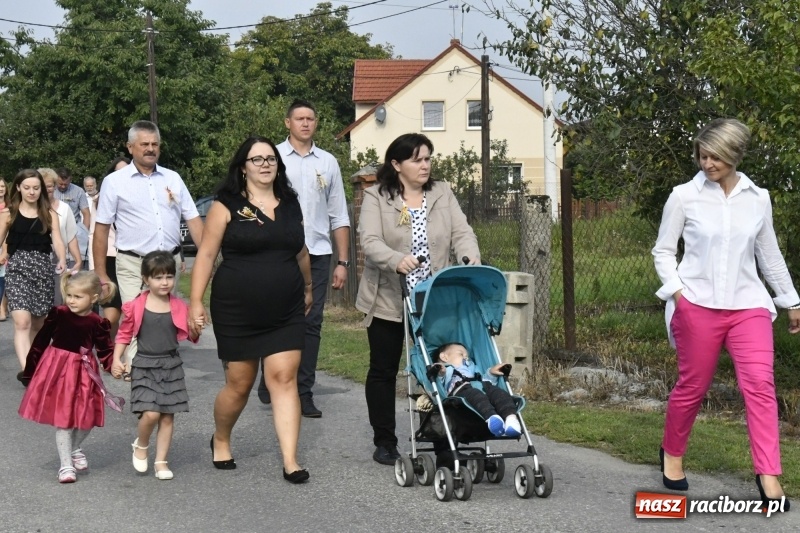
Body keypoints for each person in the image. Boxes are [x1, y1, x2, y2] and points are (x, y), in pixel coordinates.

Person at [653, 118, 798, 509]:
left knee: (761, 387)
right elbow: (663, 251)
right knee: (693, 386)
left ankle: (768, 476)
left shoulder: (758, 198)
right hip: (697, 305)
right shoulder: (684, 196)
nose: (707, 163)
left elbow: (769, 254)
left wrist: (790, 300)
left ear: (735, 154)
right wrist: (679, 295)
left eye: (715, 156)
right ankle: (672, 453)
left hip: (748, 306)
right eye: (702, 156)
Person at [190, 136, 312, 484]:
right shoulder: (225, 205)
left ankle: (290, 460)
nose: (265, 164)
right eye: (256, 159)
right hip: (237, 310)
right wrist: (195, 301)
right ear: (243, 167)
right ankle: (221, 438)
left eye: (270, 158)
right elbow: (207, 255)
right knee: (239, 385)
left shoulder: (290, 203)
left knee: (283, 378)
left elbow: (300, 251)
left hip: (286, 308)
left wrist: (307, 288)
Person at [355, 133, 480, 465]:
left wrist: (471, 259)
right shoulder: (376, 196)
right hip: (389, 296)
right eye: (417, 160)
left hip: (434, 299)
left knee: (438, 368)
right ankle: (385, 440)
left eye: (428, 158)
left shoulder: (442, 193)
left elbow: (462, 232)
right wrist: (396, 259)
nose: (425, 165)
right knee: (383, 369)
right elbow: (369, 240)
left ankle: (443, 441)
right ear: (397, 165)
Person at [256, 99, 350, 418]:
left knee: (311, 323)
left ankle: (303, 391)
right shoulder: (273, 158)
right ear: (288, 123)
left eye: (310, 118)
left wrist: (343, 262)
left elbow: (339, 214)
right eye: (300, 118)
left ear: (316, 122)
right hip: (279, 252)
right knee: (275, 317)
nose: (306, 123)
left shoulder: (328, 162)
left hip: (319, 253)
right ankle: (270, 376)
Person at [93, 121, 203, 376]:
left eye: (155, 144)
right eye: (144, 144)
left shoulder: (173, 178)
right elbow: (101, 229)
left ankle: (162, 370)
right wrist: (101, 273)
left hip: (167, 266)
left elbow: (193, 219)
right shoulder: (114, 182)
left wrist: (211, 258)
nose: (151, 149)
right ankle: (139, 375)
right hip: (133, 263)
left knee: (163, 319)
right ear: (130, 147)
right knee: (135, 318)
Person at [17, 271, 123, 483]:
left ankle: (74, 448)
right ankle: (66, 466)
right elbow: (40, 341)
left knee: (87, 419)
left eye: (78, 297)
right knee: (64, 421)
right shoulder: (59, 313)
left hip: (83, 373)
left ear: (93, 298)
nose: (72, 301)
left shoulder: (98, 322)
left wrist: (114, 366)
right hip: (57, 370)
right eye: (70, 295)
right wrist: (30, 370)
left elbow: (105, 350)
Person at [111, 251, 200, 481]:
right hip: (144, 364)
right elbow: (124, 334)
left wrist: (196, 327)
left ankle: (161, 461)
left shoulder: (179, 306)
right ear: (145, 279)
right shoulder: (135, 305)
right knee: (150, 413)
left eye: (169, 276)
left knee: (167, 416)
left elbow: (191, 335)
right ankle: (141, 445)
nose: (164, 282)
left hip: (171, 365)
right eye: (158, 277)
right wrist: (117, 358)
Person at [0, 169, 67, 369]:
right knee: (22, 322)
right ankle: (27, 369)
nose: (31, 192)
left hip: (43, 270)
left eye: (36, 188)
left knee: (38, 324)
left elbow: (57, 239)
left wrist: (62, 258)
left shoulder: (49, 213)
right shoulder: (8, 213)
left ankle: (35, 363)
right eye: (27, 187)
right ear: (18, 187)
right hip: (17, 270)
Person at [432, 343, 521, 437]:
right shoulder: (445, 370)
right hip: (461, 391)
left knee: (499, 393)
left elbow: (484, 379)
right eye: (461, 354)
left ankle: (511, 418)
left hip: (482, 386)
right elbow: (439, 383)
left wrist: (491, 373)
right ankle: (492, 418)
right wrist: (440, 372)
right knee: (475, 394)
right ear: (444, 357)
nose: (466, 358)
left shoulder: (473, 368)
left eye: (467, 356)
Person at [93, 158, 129, 345]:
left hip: (132, 258)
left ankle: (125, 350)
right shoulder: (102, 199)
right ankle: (108, 347)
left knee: (131, 312)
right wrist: (98, 271)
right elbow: (96, 233)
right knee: (112, 314)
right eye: (118, 172)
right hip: (110, 258)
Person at [40, 169, 84, 307]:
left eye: (50, 186)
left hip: (61, 261)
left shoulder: (64, 208)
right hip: (39, 261)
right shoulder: (32, 209)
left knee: (60, 302)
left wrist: (78, 260)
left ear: (55, 186)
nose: (47, 189)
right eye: (43, 186)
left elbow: (71, 236)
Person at [55, 167, 90, 269]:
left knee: (75, 262)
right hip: (55, 228)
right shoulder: (50, 191)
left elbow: (86, 213)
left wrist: (84, 230)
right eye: (60, 184)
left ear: (70, 180)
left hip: (74, 229)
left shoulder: (79, 191)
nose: (63, 186)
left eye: (66, 184)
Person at [0, 179, 9, 322]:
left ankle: (3, 308)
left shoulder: (11, 207)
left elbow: (8, 233)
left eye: (2, 186)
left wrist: (4, 253)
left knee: (3, 278)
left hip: (5, 246)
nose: (0, 188)